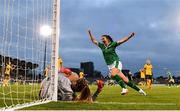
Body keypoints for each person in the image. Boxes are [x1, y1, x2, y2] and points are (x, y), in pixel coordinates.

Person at [87, 30, 146, 96]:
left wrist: (130, 36)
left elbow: (122, 40)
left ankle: (124, 88)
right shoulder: (102, 46)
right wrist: (90, 33)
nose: (101, 39)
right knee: (126, 81)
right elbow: (94, 41)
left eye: (103, 38)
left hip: (116, 62)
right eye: (101, 38)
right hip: (110, 66)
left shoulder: (113, 44)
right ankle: (140, 91)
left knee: (112, 74)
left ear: (107, 39)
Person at [40, 67, 104, 102]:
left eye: (76, 79)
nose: (73, 74)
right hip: (45, 95)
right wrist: (98, 91)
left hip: (43, 93)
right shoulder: (70, 92)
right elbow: (85, 100)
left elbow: (50, 73)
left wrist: (61, 70)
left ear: (75, 82)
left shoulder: (65, 81)